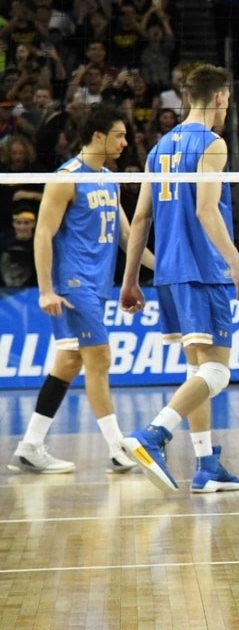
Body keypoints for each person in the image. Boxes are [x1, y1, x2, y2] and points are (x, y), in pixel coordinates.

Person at [119, 64, 239, 494]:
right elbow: (205, 209)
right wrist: (237, 264)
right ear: (220, 98)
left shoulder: (159, 147)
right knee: (217, 373)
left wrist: (129, 281)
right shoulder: (212, 144)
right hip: (203, 269)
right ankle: (154, 434)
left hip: (169, 273)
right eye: (228, 98)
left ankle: (206, 464)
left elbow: (140, 217)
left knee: (198, 370)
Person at [9, 106, 147, 474]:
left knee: (69, 362)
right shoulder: (66, 178)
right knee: (99, 360)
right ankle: (118, 448)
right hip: (73, 285)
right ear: (98, 136)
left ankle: (30, 445)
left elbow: (128, 236)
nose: (125, 142)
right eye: (119, 135)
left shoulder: (108, 178)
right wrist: (45, 290)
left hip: (97, 286)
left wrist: (164, 269)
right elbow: (42, 234)